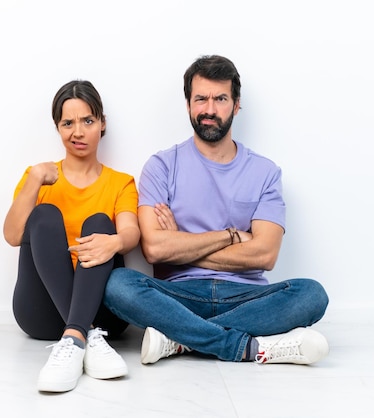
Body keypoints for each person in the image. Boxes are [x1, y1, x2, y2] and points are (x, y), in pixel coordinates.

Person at [103, 55, 329, 366]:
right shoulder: (162, 166)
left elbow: (265, 255)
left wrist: (181, 243)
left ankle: (180, 339)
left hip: (247, 296)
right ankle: (241, 345)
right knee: (118, 285)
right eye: (201, 99)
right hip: (179, 296)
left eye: (220, 98)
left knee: (312, 295)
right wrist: (231, 236)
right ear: (188, 105)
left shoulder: (265, 172)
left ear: (236, 105)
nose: (210, 109)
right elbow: (154, 248)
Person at [3, 80, 140, 392]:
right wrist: (36, 179)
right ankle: (83, 334)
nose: (78, 132)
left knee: (101, 222)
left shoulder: (121, 183)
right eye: (68, 123)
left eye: (88, 121)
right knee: (44, 215)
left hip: (103, 314)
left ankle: (76, 335)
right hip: (41, 312)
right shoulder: (38, 177)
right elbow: (12, 236)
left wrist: (115, 241)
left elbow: (131, 232)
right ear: (58, 127)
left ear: (102, 123)